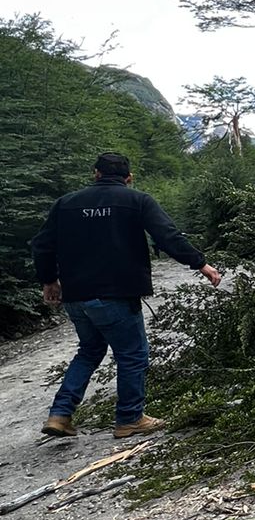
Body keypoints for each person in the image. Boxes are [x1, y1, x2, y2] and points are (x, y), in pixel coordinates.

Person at [31, 151, 222, 439]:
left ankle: (60, 415)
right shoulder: (137, 201)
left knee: (90, 351)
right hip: (116, 295)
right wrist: (201, 264)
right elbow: (167, 236)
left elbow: (41, 245)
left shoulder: (66, 204)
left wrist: (49, 281)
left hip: (76, 296)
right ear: (129, 178)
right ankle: (129, 419)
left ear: (95, 173)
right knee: (132, 354)